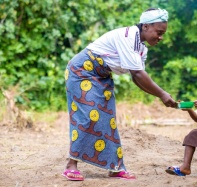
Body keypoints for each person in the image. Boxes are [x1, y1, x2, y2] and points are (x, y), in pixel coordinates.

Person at [62, 8, 177, 181]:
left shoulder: (141, 49)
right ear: (145, 26)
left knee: (108, 120)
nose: (160, 37)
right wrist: (162, 94)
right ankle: (71, 165)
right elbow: (138, 74)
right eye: (159, 32)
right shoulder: (128, 37)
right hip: (81, 71)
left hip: (102, 76)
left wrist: (160, 96)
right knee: (89, 117)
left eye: (163, 34)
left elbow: (137, 78)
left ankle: (115, 167)